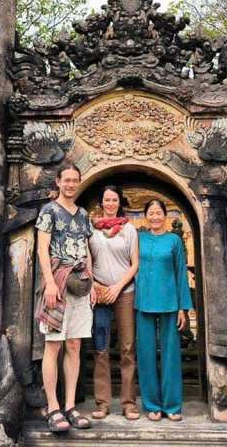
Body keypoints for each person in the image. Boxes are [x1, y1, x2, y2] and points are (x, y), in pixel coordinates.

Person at [34, 163, 96, 433]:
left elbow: (87, 249)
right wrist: (48, 281)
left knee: (74, 346)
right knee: (53, 345)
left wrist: (92, 282)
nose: (71, 184)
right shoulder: (49, 211)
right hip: (57, 284)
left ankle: (70, 405)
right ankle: (53, 406)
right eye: (67, 180)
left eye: (75, 180)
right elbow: (42, 249)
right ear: (58, 182)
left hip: (80, 284)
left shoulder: (83, 215)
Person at [135, 198, 193, 422]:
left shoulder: (174, 240)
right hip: (143, 302)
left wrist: (183, 308)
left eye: (159, 212)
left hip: (170, 302)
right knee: (146, 354)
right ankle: (152, 405)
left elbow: (181, 273)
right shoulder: (138, 238)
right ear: (146, 215)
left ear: (165, 215)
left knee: (171, 356)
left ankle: (172, 405)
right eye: (151, 212)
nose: (155, 216)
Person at [88, 185, 140, 421]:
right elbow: (86, 260)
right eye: (106, 200)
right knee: (101, 348)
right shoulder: (92, 229)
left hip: (124, 291)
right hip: (99, 293)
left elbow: (134, 264)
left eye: (114, 200)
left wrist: (117, 287)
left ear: (120, 202)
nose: (110, 204)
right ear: (101, 203)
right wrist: (95, 286)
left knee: (127, 348)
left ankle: (128, 403)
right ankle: (103, 403)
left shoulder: (129, 230)